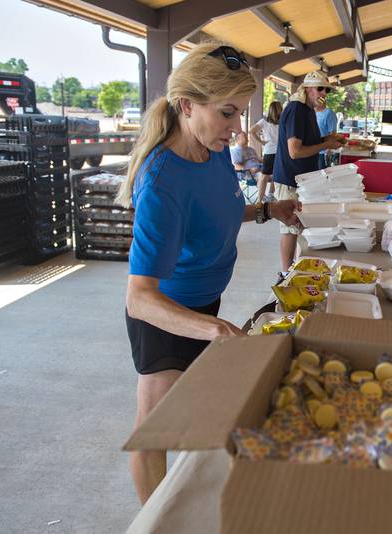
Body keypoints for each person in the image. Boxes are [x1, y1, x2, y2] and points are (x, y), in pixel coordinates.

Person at [116, 43, 301, 505]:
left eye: (239, 113)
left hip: (205, 305)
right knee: (153, 432)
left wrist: (265, 210)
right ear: (186, 106)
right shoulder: (161, 181)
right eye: (227, 114)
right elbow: (139, 297)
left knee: (200, 416)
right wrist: (212, 327)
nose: (237, 128)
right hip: (165, 317)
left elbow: (217, 211)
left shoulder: (212, 148)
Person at [273, 70, 344, 274]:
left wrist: (327, 141)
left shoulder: (307, 109)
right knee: (290, 228)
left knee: (298, 227)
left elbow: (307, 143)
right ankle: (286, 274)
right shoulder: (297, 109)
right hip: (290, 178)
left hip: (302, 179)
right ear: (308, 88)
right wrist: (324, 145)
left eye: (327, 90)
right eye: (320, 88)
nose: (324, 93)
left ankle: (294, 269)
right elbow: (295, 151)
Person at [249, 100, 282, 199]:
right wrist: (261, 142)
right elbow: (252, 131)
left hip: (270, 152)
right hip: (279, 152)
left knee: (265, 176)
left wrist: (261, 142)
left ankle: (262, 198)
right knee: (275, 175)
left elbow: (251, 131)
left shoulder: (264, 121)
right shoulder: (282, 121)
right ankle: (268, 196)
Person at [230, 131, 263, 196]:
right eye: (244, 136)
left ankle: (270, 195)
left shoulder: (251, 149)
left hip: (260, 169)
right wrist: (249, 170)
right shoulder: (234, 151)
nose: (247, 137)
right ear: (238, 139)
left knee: (276, 173)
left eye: (246, 135)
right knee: (262, 176)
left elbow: (259, 160)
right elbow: (236, 166)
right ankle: (262, 197)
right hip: (248, 174)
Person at [315, 93, 338, 169]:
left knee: (321, 177)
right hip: (312, 151)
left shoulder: (329, 113)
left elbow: (332, 133)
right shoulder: (313, 113)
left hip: (322, 152)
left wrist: (329, 149)